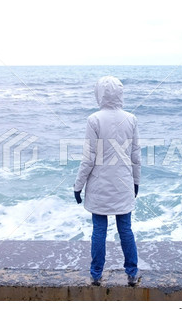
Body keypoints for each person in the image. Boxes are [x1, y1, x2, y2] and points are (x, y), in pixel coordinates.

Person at [74, 76, 141, 287]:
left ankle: (95, 275)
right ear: (120, 93)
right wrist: (136, 182)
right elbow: (135, 156)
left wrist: (78, 185)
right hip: (123, 184)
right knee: (125, 229)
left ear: (99, 93)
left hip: (100, 186)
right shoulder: (131, 119)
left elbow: (88, 158)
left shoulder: (94, 120)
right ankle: (132, 272)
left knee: (99, 230)